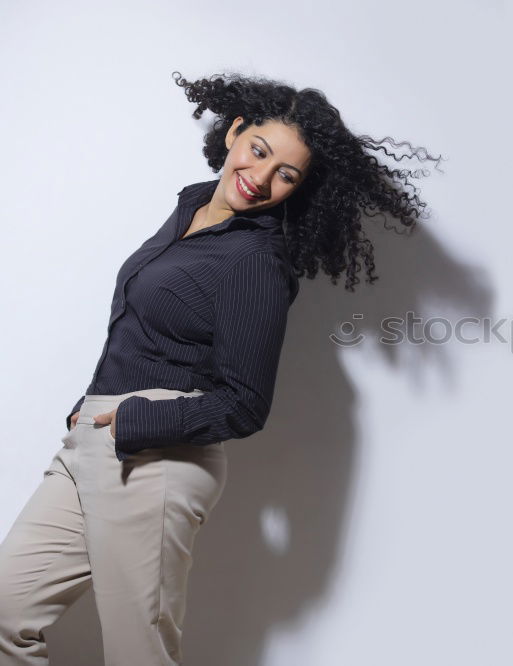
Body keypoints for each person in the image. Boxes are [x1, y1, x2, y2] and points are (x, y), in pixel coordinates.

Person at [0, 70, 441, 665]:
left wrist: (131, 421)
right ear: (235, 131)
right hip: (93, 443)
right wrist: (92, 404)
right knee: (8, 611)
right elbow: (143, 325)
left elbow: (243, 403)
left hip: (154, 457)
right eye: (258, 151)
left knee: (137, 653)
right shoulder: (189, 210)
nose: (259, 179)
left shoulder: (256, 261)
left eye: (286, 174)